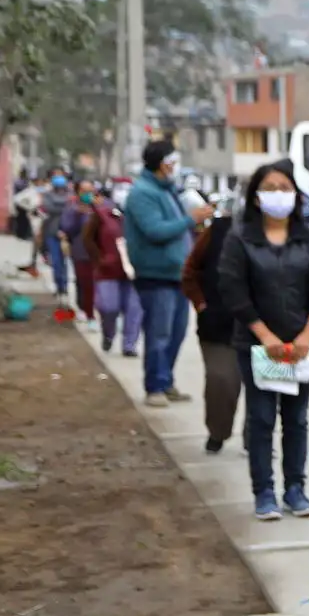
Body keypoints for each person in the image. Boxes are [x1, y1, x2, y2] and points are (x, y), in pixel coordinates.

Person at [218, 160, 309, 519]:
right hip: (256, 346)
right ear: (255, 197)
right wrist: (265, 336)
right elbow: (232, 289)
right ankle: (264, 491)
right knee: (262, 417)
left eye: (284, 188)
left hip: (302, 347)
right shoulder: (240, 238)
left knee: (296, 420)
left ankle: (295, 489)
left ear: (296, 194)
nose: (277, 195)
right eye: (269, 188)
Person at [125, 140, 213, 408]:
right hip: (156, 276)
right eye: (173, 163)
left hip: (177, 276)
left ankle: (167, 381)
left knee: (176, 333)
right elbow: (155, 231)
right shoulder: (143, 193)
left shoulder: (167, 191)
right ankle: (154, 387)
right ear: (163, 164)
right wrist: (191, 219)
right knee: (159, 333)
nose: (175, 168)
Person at [181, 197, 241, 456]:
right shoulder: (217, 232)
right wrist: (201, 305)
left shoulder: (285, 234)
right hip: (219, 324)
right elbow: (190, 271)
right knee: (222, 380)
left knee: (266, 389)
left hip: (268, 327)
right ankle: (217, 431)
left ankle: (257, 440)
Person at [81, 179, 143, 356]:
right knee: (109, 307)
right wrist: (99, 259)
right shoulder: (102, 215)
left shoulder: (141, 218)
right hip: (108, 271)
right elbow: (88, 238)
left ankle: (129, 345)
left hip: (134, 272)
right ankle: (108, 334)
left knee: (134, 309)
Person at [59, 178, 99, 321]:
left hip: (98, 252)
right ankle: (83, 307)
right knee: (83, 281)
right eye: (84, 191)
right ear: (77, 192)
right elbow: (66, 228)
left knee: (95, 282)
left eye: (90, 191)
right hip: (80, 251)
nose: (88, 194)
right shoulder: (72, 209)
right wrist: (78, 215)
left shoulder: (100, 207)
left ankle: (92, 308)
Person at [36, 170, 73, 301]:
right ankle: (59, 286)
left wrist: (62, 206)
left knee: (65, 263)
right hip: (51, 232)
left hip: (67, 234)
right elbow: (49, 207)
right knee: (56, 262)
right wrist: (64, 205)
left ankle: (64, 286)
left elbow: (70, 207)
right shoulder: (47, 195)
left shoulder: (71, 195)